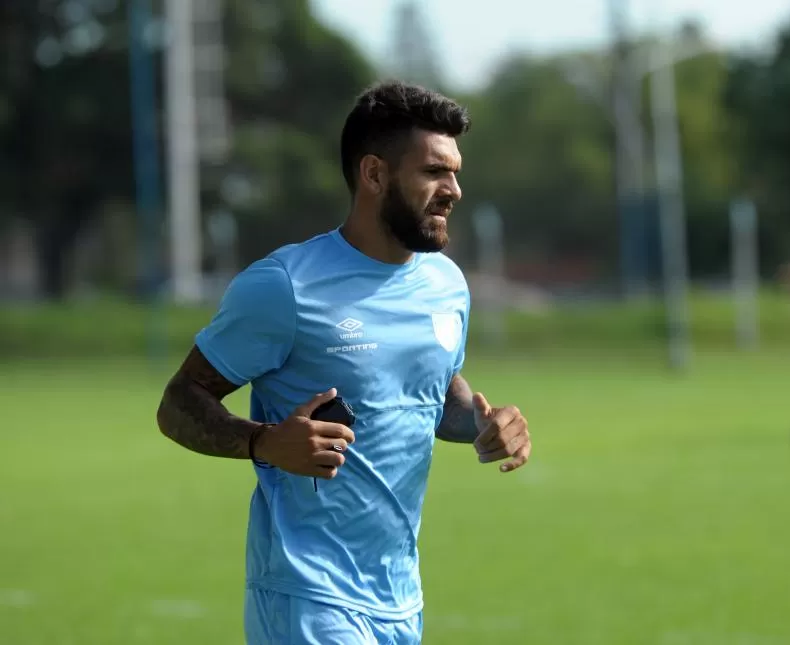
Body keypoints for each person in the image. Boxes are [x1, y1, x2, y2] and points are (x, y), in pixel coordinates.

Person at [155, 81, 532, 645]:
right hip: (308, 596)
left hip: (401, 596)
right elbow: (179, 401)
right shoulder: (284, 286)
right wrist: (262, 441)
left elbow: (431, 392)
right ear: (374, 174)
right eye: (433, 171)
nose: (453, 190)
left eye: (455, 173)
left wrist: (483, 423)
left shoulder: (446, 285)